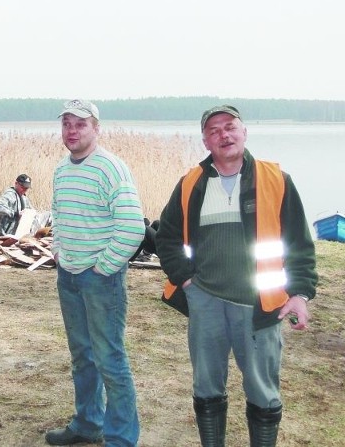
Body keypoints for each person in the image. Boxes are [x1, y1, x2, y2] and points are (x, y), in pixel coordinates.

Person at [156, 105, 317, 446]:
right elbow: (165, 236)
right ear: (205, 141)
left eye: (229, 127)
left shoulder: (276, 180)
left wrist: (300, 294)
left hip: (261, 305)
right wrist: (187, 281)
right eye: (214, 131)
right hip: (206, 301)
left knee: (262, 390)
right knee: (207, 386)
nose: (223, 135)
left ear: (244, 132)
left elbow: (300, 244)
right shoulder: (191, 184)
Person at [46, 99, 146, 447]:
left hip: (101, 280)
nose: (71, 131)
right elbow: (56, 215)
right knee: (82, 356)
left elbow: (133, 227)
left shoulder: (111, 169)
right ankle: (88, 423)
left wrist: (103, 267)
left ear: (96, 129)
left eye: (80, 124)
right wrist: (59, 252)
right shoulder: (61, 169)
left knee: (110, 359)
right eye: (66, 124)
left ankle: (121, 438)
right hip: (69, 277)